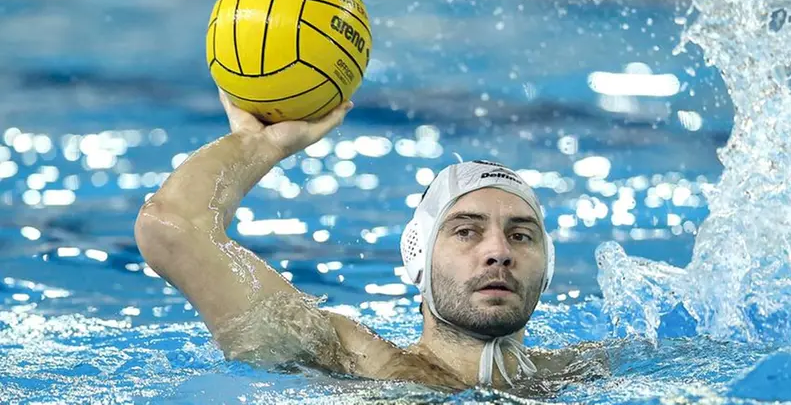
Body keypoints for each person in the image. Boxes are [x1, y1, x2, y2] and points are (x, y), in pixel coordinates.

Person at [134, 91, 605, 392]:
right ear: (417, 256)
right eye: (466, 230)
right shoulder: (350, 360)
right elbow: (171, 229)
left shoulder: (587, 370)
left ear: (547, 268)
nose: (498, 251)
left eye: (521, 235)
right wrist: (258, 147)